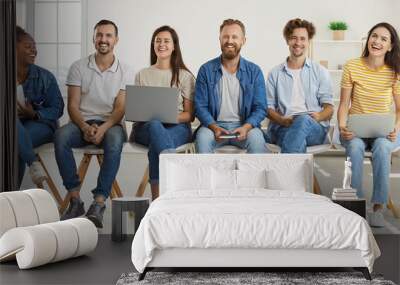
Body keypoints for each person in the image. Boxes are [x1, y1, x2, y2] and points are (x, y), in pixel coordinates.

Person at [55, 19, 130, 228]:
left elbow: (120, 110)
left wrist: (103, 128)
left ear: (116, 40)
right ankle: (75, 199)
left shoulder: (125, 70)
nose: (103, 39)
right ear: (93, 38)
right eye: (99, 35)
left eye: (108, 35)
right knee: (60, 136)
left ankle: (99, 203)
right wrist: (86, 127)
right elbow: (72, 105)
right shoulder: (78, 67)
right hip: (82, 123)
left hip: (111, 125)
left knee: (114, 141)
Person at [337, 22, 400, 227]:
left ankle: (378, 207)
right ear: (368, 39)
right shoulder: (352, 66)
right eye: (374, 36)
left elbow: (399, 109)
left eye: (384, 39)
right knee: (354, 147)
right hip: (356, 130)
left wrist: (396, 129)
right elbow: (344, 103)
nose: (377, 41)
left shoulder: (394, 71)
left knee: (382, 147)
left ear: (390, 46)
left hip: (384, 132)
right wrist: (342, 126)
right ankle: (356, 204)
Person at [129, 25, 195, 200]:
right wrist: (155, 117)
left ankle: (158, 201)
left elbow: (190, 115)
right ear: (153, 45)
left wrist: (167, 116)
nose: (161, 44)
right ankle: (173, 175)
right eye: (157, 41)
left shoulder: (185, 76)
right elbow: (136, 112)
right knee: (155, 125)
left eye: (166, 41)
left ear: (174, 46)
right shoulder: (142, 74)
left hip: (178, 127)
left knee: (156, 147)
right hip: (146, 127)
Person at [195, 19, 267, 153]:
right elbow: (200, 106)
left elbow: (261, 107)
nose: (229, 41)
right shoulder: (206, 70)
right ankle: (206, 175)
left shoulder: (254, 71)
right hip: (212, 126)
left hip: (244, 125)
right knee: (202, 140)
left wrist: (246, 127)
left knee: (257, 140)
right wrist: (214, 127)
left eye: (235, 37)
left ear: (243, 40)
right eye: (225, 36)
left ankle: (252, 175)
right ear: (220, 39)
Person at [265, 18, 334, 153]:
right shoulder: (275, 73)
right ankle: (307, 175)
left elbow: (329, 108)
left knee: (303, 120)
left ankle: (287, 172)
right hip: (283, 127)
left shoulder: (320, 71)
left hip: (314, 128)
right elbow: (267, 108)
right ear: (287, 41)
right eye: (294, 38)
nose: (298, 43)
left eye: (303, 39)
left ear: (308, 41)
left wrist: (318, 116)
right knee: (296, 141)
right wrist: (282, 120)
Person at [16, 26, 64, 188]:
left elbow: (58, 109)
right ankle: (33, 164)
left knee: (15, 142)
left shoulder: (45, 77)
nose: (34, 51)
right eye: (28, 46)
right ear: (12, 48)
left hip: (41, 125)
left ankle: (7, 196)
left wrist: (35, 114)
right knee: (13, 129)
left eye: (34, 47)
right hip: (14, 125)